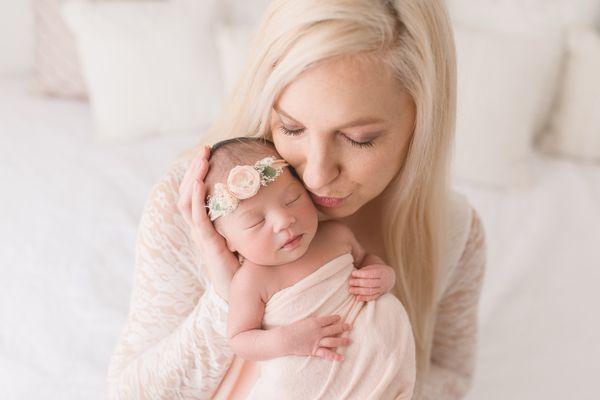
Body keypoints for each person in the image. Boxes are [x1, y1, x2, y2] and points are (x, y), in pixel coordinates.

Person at [106, 1, 487, 399]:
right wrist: (225, 294)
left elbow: (452, 374)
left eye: (359, 139)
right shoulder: (198, 205)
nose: (317, 175)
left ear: (422, 122)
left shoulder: (455, 233)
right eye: (291, 128)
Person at [202, 137, 415, 399]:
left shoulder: (336, 235)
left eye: (292, 199)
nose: (283, 220)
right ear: (229, 242)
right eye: (256, 222)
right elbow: (240, 339)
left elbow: (366, 260)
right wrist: (287, 340)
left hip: (372, 369)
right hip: (304, 379)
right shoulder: (251, 279)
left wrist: (382, 274)